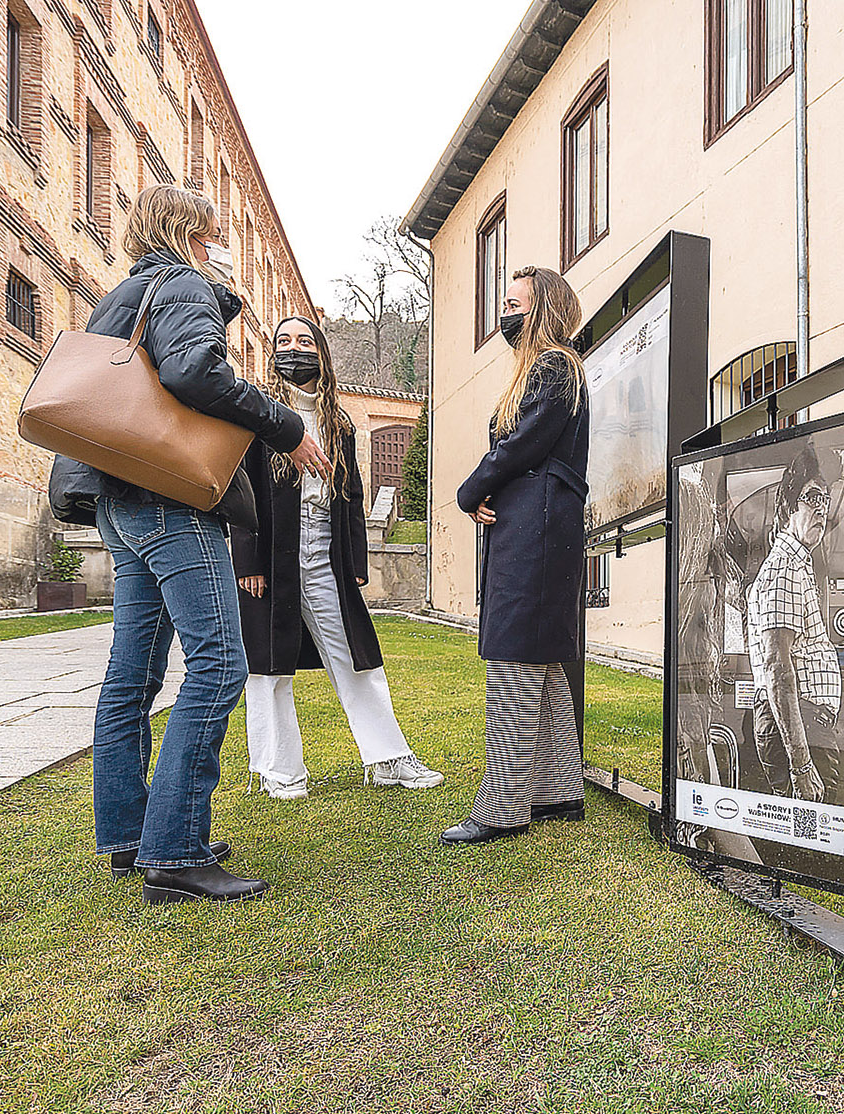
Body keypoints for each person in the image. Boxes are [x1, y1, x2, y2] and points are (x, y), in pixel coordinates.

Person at [87, 183, 332, 905]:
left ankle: (134, 835)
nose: (220, 243)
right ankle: (176, 850)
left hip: (120, 503)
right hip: (171, 501)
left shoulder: (124, 293)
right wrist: (286, 426)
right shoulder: (185, 282)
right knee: (221, 664)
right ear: (189, 231)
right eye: (213, 232)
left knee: (131, 675)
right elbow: (196, 371)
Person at [233, 316, 442, 798]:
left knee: (356, 656)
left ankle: (389, 759)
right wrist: (249, 562)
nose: (293, 348)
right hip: (271, 550)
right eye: (283, 341)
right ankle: (277, 771)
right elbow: (238, 487)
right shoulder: (258, 416)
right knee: (266, 664)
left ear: (321, 352)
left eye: (304, 340)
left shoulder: (339, 423)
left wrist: (354, 566)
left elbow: (350, 493)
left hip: (324, 548)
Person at [443, 265, 590, 844]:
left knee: (512, 655)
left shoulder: (554, 366)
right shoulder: (554, 370)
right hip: (540, 524)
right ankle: (558, 789)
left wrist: (471, 489)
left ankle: (503, 805)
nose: (505, 313)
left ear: (543, 308)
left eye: (514, 303)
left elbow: (519, 444)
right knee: (541, 656)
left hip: (538, 528)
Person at [745, 444, 844, 804]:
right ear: (788, 507)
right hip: (798, 723)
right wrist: (801, 765)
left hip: (803, 721)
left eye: (826, 499)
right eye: (812, 497)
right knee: (812, 831)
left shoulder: (797, 563)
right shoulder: (785, 567)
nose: (821, 508)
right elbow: (777, 667)